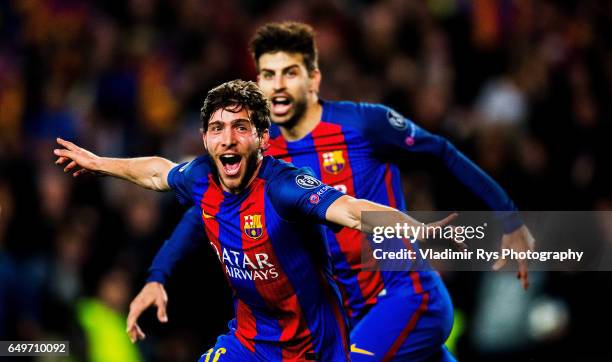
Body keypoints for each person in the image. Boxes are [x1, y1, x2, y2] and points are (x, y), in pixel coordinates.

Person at [138, 22, 535, 361]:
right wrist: (158, 275)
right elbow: (204, 210)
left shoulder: (364, 125)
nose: (277, 86)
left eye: (289, 73)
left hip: (401, 294)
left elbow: (443, 154)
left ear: (313, 78)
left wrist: (509, 216)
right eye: (267, 75)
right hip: (349, 315)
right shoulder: (257, 155)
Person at [54, 79, 455, 361]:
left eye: (240, 128)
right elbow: (157, 172)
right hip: (249, 342)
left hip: (311, 350)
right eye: (217, 129)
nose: (227, 139)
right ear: (206, 138)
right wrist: (98, 163)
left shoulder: (284, 188)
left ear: (262, 138)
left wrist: (413, 227)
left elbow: (350, 209)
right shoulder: (200, 178)